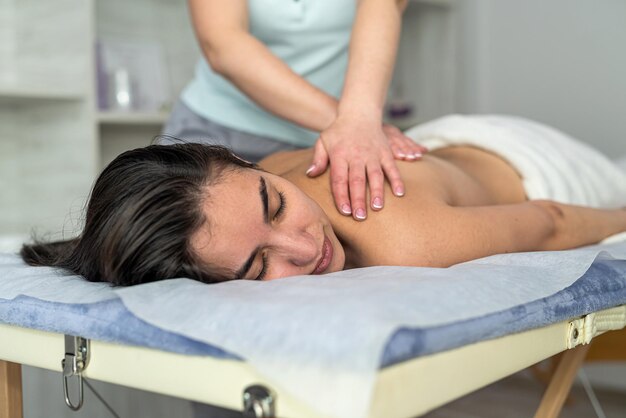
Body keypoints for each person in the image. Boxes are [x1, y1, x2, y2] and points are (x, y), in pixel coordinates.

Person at [20, 115, 626, 284]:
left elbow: (550, 221)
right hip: (439, 156)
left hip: (529, 163)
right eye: (260, 266)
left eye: (276, 204)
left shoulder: (404, 242)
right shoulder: (241, 193)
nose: (305, 248)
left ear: (242, 161)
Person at [162, 0, 426, 221]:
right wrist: (353, 123)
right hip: (216, 126)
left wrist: (358, 120)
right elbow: (222, 45)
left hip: (322, 144)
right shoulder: (350, 127)